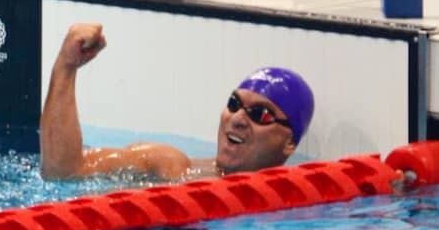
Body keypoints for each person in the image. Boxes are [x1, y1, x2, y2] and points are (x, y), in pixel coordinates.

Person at [40, 23, 314, 180]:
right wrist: (66, 67)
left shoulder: (302, 195)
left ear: (290, 143)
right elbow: (63, 172)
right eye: (233, 104)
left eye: (260, 114)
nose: (238, 119)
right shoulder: (170, 167)